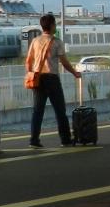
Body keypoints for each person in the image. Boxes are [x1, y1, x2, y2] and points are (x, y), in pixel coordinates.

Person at [25, 13, 80, 148]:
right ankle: (65, 140)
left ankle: (34, 140)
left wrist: (30, 74)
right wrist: (74, 73)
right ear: (51, 25)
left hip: (38, 78)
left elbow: (28, 61)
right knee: (60, 110)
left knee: (37, 110)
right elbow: (64, 62)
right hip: (51, 78)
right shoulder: (56, 42)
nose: (55, 26)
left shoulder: (35, 41)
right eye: (55, 24)